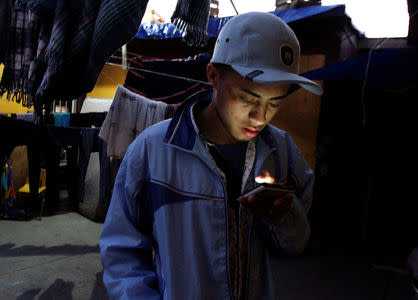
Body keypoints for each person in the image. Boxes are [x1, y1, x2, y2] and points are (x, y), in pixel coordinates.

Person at [99, 11, 323, 300]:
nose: (260, 117)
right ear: (213, 76)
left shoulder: (283, 154)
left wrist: (283, 216)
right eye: (248, 98)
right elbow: (122, 254)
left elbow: (296, 245)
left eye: (274, 103)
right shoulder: (152, 152)